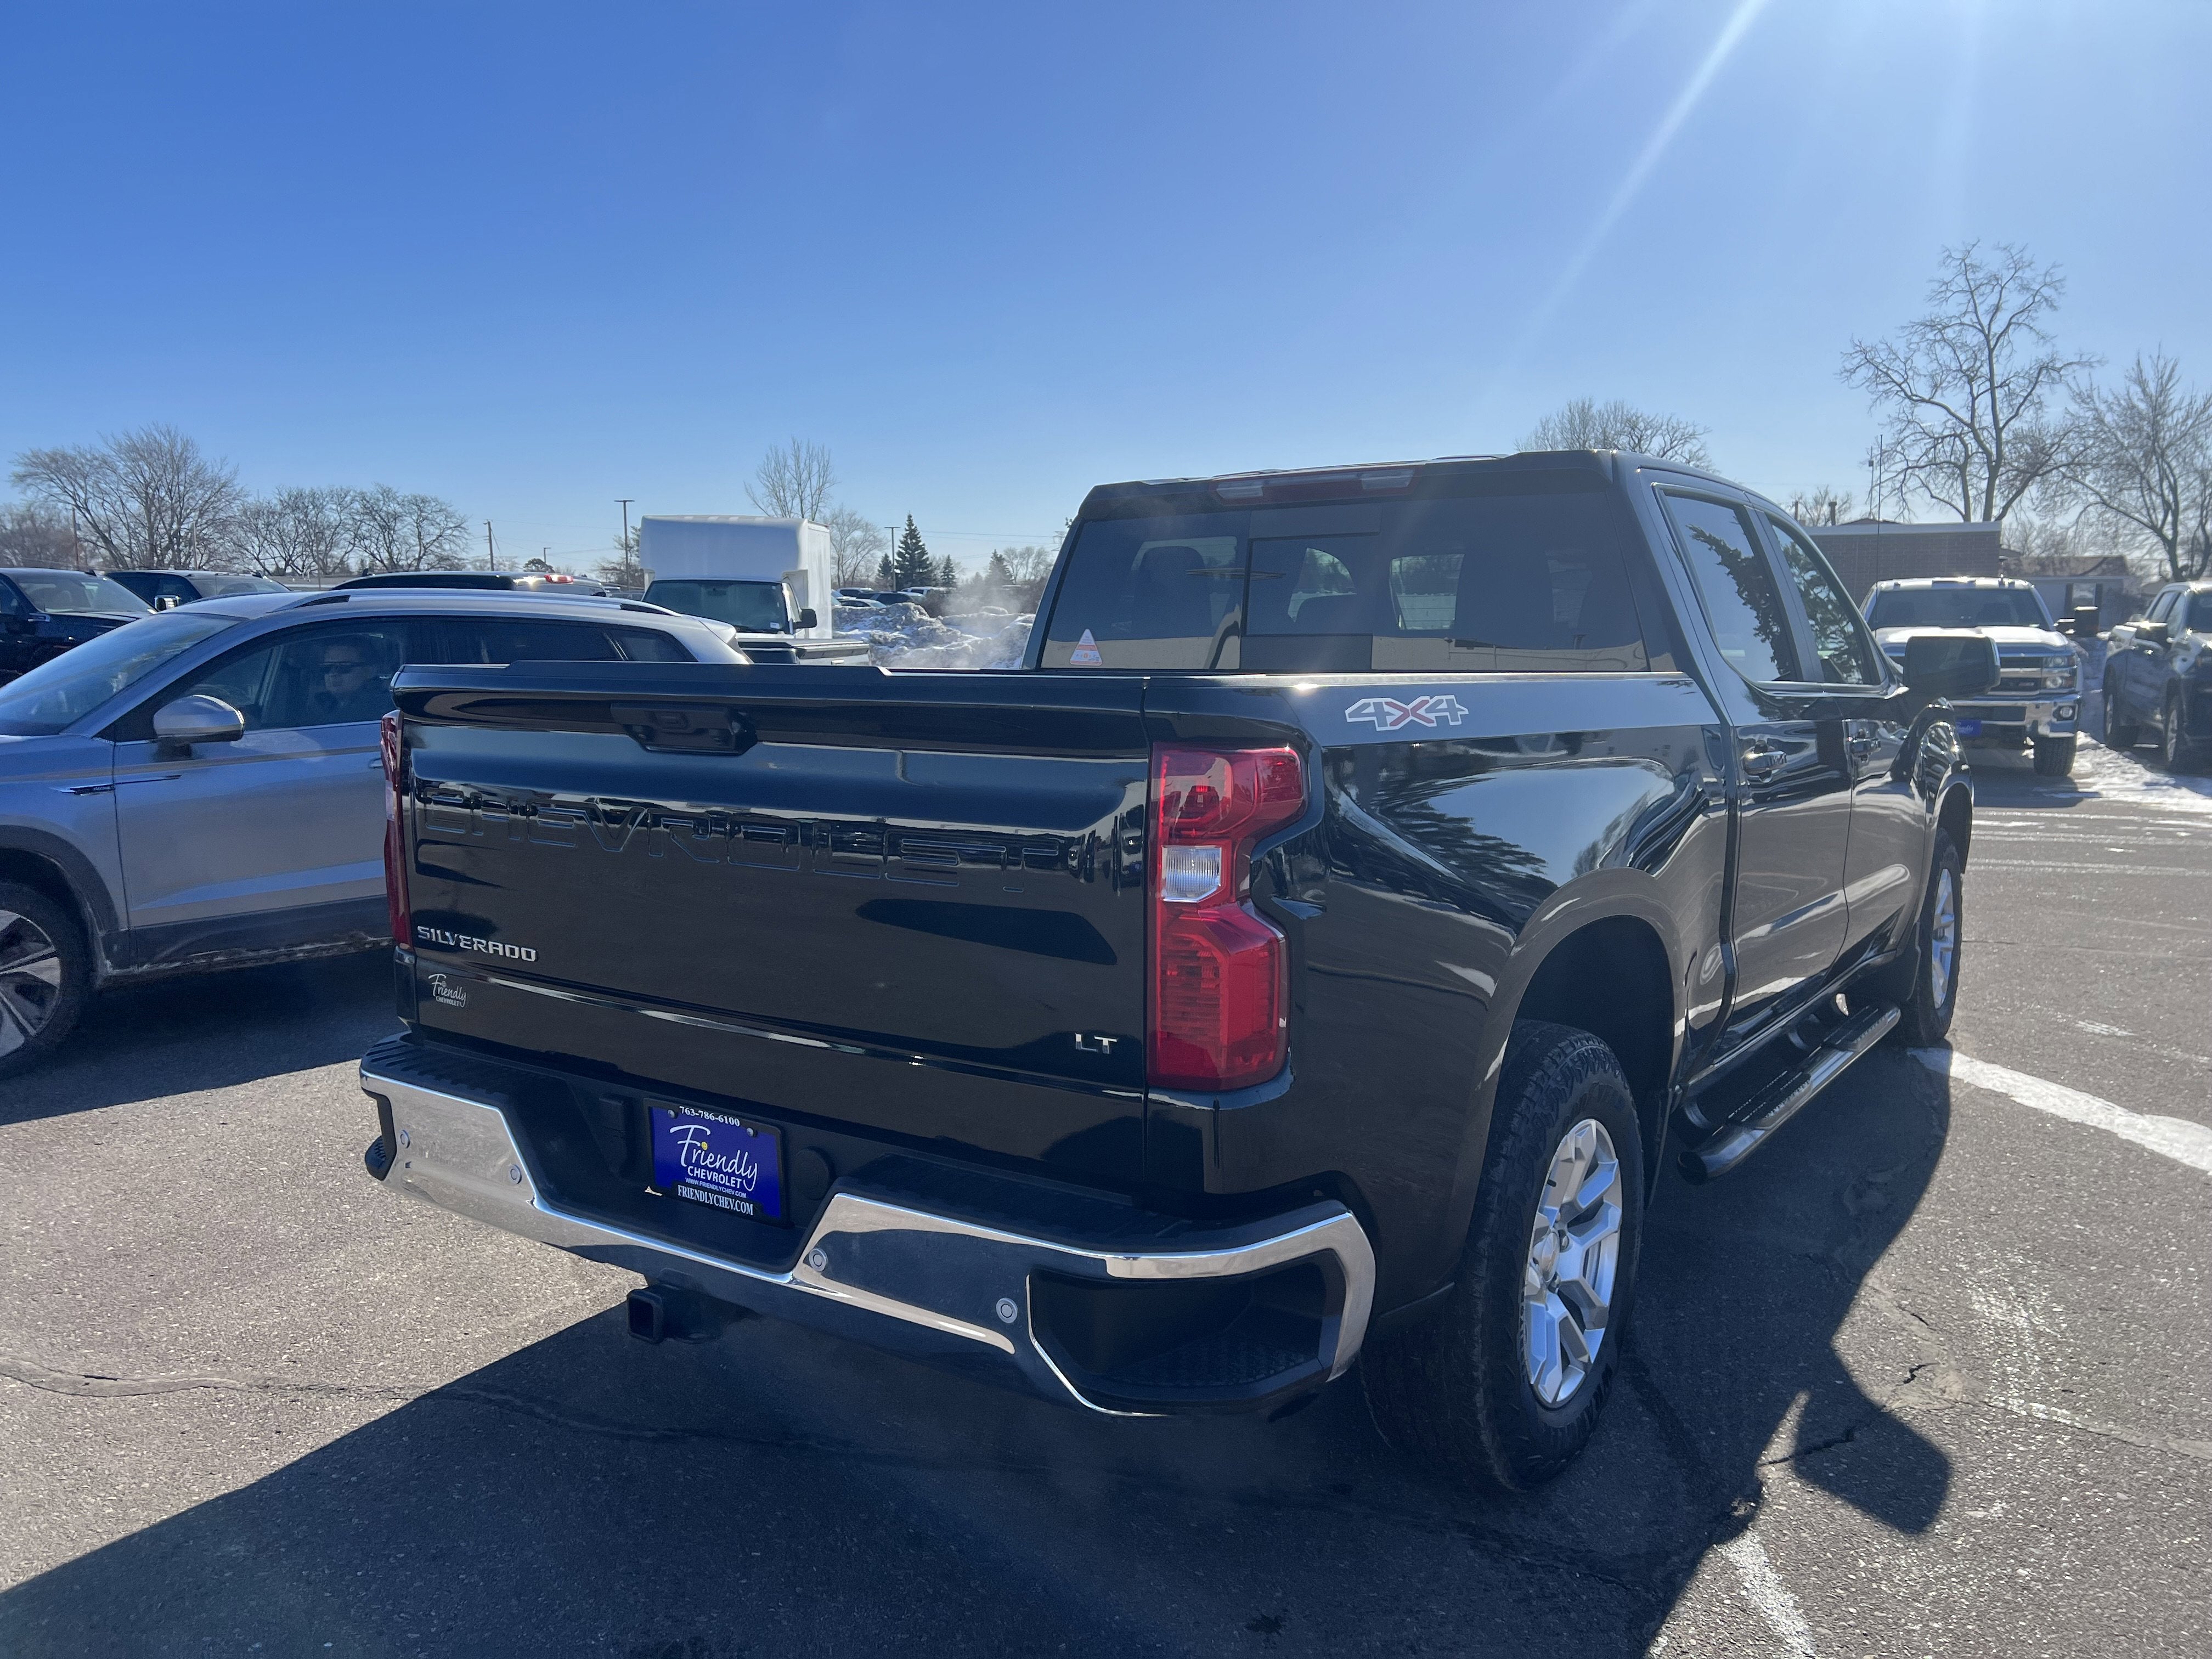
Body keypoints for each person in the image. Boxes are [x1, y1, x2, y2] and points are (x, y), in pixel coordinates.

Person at [298, 636, 391, 725]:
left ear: (371, 671)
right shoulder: (321, 704)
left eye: (344, 668)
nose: (333, 674)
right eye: (327, 668)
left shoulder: (379, 708)